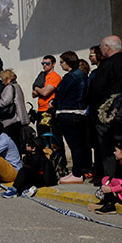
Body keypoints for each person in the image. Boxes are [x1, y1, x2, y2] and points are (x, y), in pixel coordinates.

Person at [86, 35, 122, 181]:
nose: (100, 50)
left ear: (107, 47)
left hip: (107, 112)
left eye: (101, 47)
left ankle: (111, 180)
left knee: (107, 148)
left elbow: (95, 90)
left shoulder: (107, 65)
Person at [52, 51, 90, 184]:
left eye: (62, 62)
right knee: (78, 145)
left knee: (75, 145)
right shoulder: (82, 75)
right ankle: (77, 171)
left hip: (68, 113)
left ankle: (77, 173)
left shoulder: (71, 77)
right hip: (79, 113)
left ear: (67, 62)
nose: (61, 64)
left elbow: (60, 94)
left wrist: (54, 103)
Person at [0, 69, 29, 146]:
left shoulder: (9, 87)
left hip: (12, 119)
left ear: (8, 79)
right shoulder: (17, 86)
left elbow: (5, 102)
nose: (2, 82)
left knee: (11, 141)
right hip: (18, 117)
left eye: (3, 79)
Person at [90, 143, 122, 214]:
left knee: (109, 181)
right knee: (107, 179)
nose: (114, 153)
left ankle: (110, 204)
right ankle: (107, 200)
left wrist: (111, 189)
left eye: (116, 151)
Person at [31, 55, 61, 135]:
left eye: (47, 63)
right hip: (40, 110)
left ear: (53, 64)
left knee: (50, 135)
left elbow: (45, 92)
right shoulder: (42, 76)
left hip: (49, 110)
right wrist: (40, 89)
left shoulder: (55, 77)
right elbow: (33, 94)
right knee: (41, 135)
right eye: (43, 63)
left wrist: (37, 88)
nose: (44, 65)